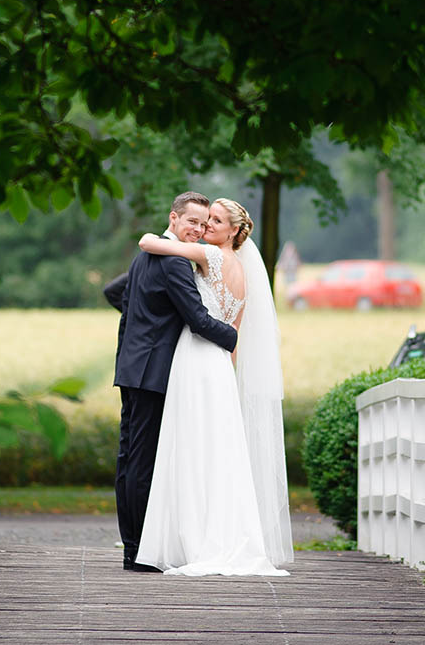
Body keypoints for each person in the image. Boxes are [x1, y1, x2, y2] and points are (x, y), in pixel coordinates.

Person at [133, 198, 290, 576]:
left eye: (215, 221)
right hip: (218, 365)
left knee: (191, 447)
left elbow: (149, 243)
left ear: (234, 231)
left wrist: (157, 234)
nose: (206, 227)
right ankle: (216, 533)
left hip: (197, 357)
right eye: (205, 221)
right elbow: (233, 332)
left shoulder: (208, 255)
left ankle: (194, 537)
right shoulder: (243, 270)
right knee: (217, 451)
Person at [112, 192, 239, 573]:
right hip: (153, 372)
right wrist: (233, 339)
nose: (198, 230)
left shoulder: (145, 256)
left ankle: (133, 547)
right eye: (193, 222)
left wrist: (142, 327)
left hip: (133, 368)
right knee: (143, 463)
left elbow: (117, 296)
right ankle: (137, 551)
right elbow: (198, 319)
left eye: (204, 224)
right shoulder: (174, 261)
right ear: (174, 217)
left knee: (128, 460)